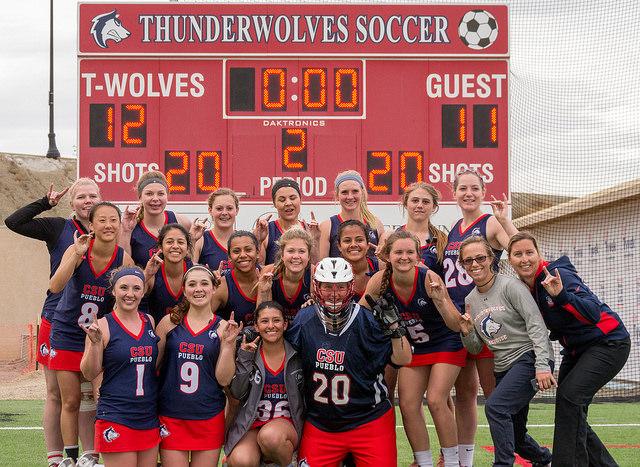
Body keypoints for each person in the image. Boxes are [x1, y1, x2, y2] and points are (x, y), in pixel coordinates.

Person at [508, 232, 630, 466]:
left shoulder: (557, 275)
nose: (525, 259)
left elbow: (593, 312)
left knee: (570, 398)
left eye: (529, 253)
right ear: (510, 260)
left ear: (539, 255)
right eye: (518, 254)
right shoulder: (525, 287)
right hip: (576, 350)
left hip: (608, 342)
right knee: (571, 409)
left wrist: (562, 296)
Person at [4, 178, 100, 467]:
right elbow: (13, 221)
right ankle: (56, 459)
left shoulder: (111, 227)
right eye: (81, 196)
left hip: (94, 323)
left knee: (89, 394)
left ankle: (89, 456)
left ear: (101, 198)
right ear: (72, 203)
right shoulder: (59, 227)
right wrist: (45, 203)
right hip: (57, 319)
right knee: (56, 394)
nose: (87, 201)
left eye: (92, 195)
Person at [287, 257, 412, 466]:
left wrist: (395, 329)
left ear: (350, 287)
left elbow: (403, 359)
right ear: (317, 287)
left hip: (369, 420)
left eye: (341, 287)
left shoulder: (367, 319)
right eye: (327, 286)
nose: (334, 293)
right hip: (321, 423)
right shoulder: (304, 319)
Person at [361, 230, 465, 467]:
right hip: (415, 346)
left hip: (445, 342)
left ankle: (451, 462)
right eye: (398, 252)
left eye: (410, 252)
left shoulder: (428, 278)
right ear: (388, 255)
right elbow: (361, 315)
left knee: (437, 399)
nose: (404, 257)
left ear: (418, 256)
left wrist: (440, 300)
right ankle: (424, 462)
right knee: (407, 404)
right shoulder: (379, 280)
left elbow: (454, 324)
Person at [457, 236, 554, 467]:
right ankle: (545, 460)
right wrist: (466, 332)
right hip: (503, 368)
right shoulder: (470, 300)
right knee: (517, 437)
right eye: (468, 260)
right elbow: (476, 347)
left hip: (528, 359)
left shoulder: (511, 286)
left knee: (496, 407)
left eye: (480, 258)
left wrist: (542, 365)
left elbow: (536, 325)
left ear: (491, 259)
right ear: (463, 265)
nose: (475, 264)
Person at [49, 202, 133, 464]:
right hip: (67, 333)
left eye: (113, 221)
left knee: (100, 397)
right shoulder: (78, 250)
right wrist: (76, 253)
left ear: (119, 225)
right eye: (102, 221)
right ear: (92, 225)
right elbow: (55, 285)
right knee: (70, 400)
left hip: (97, 338)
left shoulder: (123, 258)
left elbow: (129, 296)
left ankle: (95, 454)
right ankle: (70, 457)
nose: (108, 225)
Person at [444, 169, 517, 466]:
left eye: (474, 188)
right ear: (454, 192)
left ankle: (505, 457)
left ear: (483, 192)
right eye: (463, 188)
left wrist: (504, 221)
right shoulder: (454, 228)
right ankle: (466, 460)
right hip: (458, 321)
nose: (469, 193)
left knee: (493, 396)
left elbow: (517, 247)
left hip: (486, 317)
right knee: (464, 394)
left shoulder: (488, 222)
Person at [155, 265, 241, 466]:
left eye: (204, 283)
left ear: (213, 288)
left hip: (208, 415)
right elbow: (153, 368)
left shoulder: (223, 328)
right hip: (171, 415)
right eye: (192, 284)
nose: (198, 289)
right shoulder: (169, 323)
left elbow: (224, 379)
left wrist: (228, 345)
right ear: (184, 290)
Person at [80, 266, 160, 467]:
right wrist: (95, 344)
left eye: (136, 288)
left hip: (148, 414)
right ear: (114, 290)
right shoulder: (102, 325)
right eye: (124, 288)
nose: (130, 294)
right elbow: (89, 372)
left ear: (143, 291)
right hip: (117, 414)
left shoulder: (149, 321)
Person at [226, 301, 304, 467]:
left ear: (285, 324)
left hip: (287, 425)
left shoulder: (298, 354)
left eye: (276, 320)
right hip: (254, 424)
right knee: (241, 460)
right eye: (264, 321)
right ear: (255, 326)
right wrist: (245, 358)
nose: (271, 326)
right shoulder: (249, 352)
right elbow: (237, 393)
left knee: (270, 437)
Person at [119, 170, 192, 268]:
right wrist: (126, 231)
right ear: (140, 197)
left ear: (167, 196)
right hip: (144, 282)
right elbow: (123, 268)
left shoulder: (182, 223)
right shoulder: (129, 226)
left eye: (160, 194)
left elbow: (191, 263)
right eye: (149, 194)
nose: (155, 198)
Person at [318, 170, 384, 260]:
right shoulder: (327, 227)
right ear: (337, 195)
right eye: (344, 192)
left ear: (362, 193)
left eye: (355, 191)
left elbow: (384, 264)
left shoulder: (375, 224)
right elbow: (322, 265)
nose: (350, 197)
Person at [254, 178, 320, 265]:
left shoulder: (311, 231)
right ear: (274, 203)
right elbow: (259, 268)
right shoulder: (267, 232)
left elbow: (315, 269)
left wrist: (315, 240)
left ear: (300, 200)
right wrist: (258, 241)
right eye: (282, 200)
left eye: (292, 198)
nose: (288, 203)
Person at [256, 228, 313, 321]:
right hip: (277, 329)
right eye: (291, 251)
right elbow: (261, 318)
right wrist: (264, 291)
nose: (296, 256)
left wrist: (315, 307)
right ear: (282, 255)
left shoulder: (314, 274)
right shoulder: (270, 272)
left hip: (303, 330)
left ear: (309, 256)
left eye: (302, 251)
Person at [143, 224, 193, 325]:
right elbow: (130, 296)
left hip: (188, 336)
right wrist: (146, 275)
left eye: (181, 242)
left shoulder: (195, 272)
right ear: (160, 246)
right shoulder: (153, 273)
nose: (175, 246)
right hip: (157, 334)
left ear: (187, 248)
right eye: (169, 242)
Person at [395, 182, 447, 275]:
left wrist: (427, 273)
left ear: (434, 207)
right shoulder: (393, 237)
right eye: (415, 201)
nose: (420, 205)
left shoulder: (442, 241)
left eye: (425, 202)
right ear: (406, 204)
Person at [210, 231, 260, 325]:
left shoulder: (268, 275)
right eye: (236, 251)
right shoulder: (222, 286)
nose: (243, 255)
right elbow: (202, 319)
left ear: (257, 253)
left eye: (248, 250)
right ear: (229, 257)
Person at [192, 188, 239, 274]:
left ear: (237, 210)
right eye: (219, 209)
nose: (224, 213)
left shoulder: (243, 240)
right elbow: (189, 272)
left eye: (229, 208)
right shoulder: (201, 240)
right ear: (210, 210)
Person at [336, 220, 380, 301]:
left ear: (368, 244)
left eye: (359, 240)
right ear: (339, 246)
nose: (353, 245)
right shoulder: (332, 271)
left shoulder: (380, 267)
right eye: (347, 241)